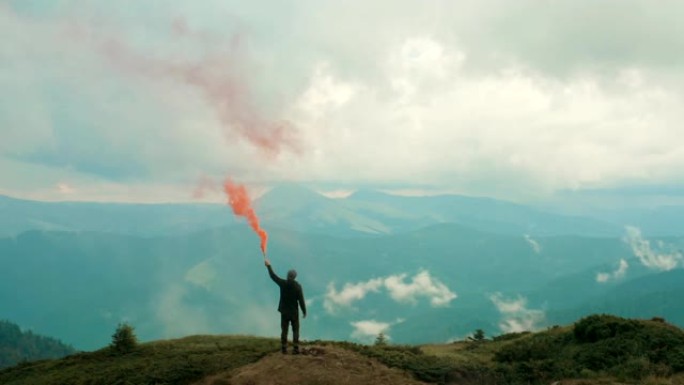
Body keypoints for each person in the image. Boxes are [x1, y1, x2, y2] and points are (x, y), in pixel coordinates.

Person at [265, 258, 307, 354]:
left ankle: (284, 348)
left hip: (284, 312)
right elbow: (301, 301)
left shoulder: (283, 283)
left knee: (284, 330)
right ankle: (295, 349)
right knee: (295, 330)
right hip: (294, 312)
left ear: (287, 276)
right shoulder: (298, 287)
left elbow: (273, 276)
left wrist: (268, 266)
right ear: (295, 277)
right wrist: (304, 312)